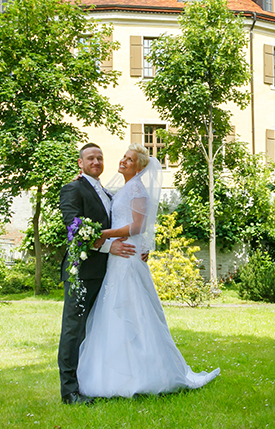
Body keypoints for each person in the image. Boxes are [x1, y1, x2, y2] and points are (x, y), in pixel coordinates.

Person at [77, 143, 220, 398]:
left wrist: (103, 234)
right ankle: (114, 373)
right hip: (119, 256)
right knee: (114, 310)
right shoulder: (122, 190)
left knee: (135, 309)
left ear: (139, 168)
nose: (123, 161)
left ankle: (146, 374)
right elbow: (104, 199)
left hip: (128, 257)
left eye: (129, 160)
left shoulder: (138, 190)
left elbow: (138, 225)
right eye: (123, 157)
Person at [57, 143, 136, 405]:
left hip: (107, 273)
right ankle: (69, 391)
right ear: (80, 163)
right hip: (82, 272)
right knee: (73, 331)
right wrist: (108, 245)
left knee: (94, 331)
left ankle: (89, 382)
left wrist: (142, 248)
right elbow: (75, 227)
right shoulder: (73, 188)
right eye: (91, 158)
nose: (97, 162)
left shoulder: (105, 192)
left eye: (100, 158)